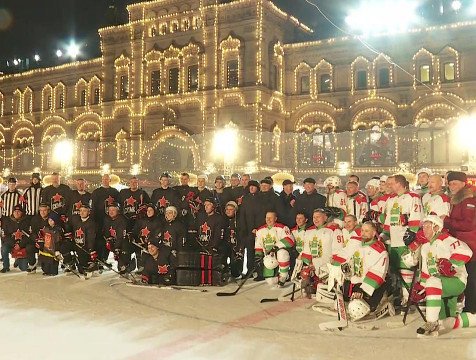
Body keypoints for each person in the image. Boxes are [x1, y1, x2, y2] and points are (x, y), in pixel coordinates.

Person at [403, 216, 473, 336]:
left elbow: (466, 251)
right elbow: (426, 273)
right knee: (446, 323)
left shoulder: (446, 239)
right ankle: (473, 319)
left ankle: (431, 322)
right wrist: (422, 289)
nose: (423, 229)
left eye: (427, 226)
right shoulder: (425, 247)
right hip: (439, 285)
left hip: (456, 281)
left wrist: (451, 265)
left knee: (432, 282)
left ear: (436, 227)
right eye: (423, 226)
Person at [329, 221, 390, 322]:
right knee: (338, 304)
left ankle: (384, 300)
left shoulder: (379, 251)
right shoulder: (357, 245)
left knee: (357, 308)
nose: (363, 233)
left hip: (371, 286)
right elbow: (346, 257)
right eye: (362, 230)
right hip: (356, 283)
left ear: (374, 233)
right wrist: (337, 269)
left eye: (367, 231)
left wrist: (362, 290)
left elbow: (377, 273)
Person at [380, 174, 423, 303]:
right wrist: (384, 234)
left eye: (391, 183)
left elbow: (417, 215)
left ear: (399, 183)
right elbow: (388, 220)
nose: (389, 185)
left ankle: (408, 298)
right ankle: (400, 295)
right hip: (394, 241)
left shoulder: (413, 197)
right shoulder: (391, 199)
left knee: (407, 269)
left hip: (406, 241)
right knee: (396, 270)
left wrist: (412, 232)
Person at [443, 171, 476, 313]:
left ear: (463, 183)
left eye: (454, 183)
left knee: (471, 276)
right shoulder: (458, 199)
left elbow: (468, 224)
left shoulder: (468, 200)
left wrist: (446, 220)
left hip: (470, 245)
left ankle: (472, 308)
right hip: (463, 244)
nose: (451, 187)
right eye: (450, 184)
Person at [254, 210, 294, 286]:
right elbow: (258, 246)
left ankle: (283, 275)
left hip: (280, 255)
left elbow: (290, 241)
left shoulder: (283, 228)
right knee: (271, 281)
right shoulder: (260, 230)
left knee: (282, 253)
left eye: (270, 218)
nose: (268, 220)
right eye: (267, 218)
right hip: (269, 257)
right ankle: (285, 275)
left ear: (275, 218)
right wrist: (258, 256)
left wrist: (276, 246)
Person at [63, 203, 98, 276]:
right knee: (64, 247)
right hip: (76, 244)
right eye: (80, 210)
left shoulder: (91, 223)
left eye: (84, 211)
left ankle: (91, 265)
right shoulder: (76, 220)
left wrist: (91, 250)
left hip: (84, 247)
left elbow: (91, 238)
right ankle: (71, 262)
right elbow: (69, 227)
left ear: (89, 212)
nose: (82, 213)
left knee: (82, 269)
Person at [91, 174, 119, 263]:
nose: (105, 181)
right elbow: (93, 206)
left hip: (111, 220)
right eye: (103, 179)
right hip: (99, 219)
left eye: (107, 179)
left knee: (109, 239)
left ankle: (104, 258)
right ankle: (98, 258)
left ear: (110, 180)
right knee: (99, 239)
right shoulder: (96, 192)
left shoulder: (115, 192)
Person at [103, 202, 133, 274]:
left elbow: (121, 236)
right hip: (115, 241)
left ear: (118, 211)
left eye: (113, 210)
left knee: (123, 247)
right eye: (110, 210)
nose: (111, 212)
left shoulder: (122, 220)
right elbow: (107, 232)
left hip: (124, 242)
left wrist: (116, 248)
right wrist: (108, 239)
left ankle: (128, 264)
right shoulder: (107, 220)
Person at [132, 203, 163, 273]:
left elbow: (158, 234)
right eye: (147, 210)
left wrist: (149, 241)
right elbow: (135, 231)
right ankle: (140, 266)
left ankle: (148, 267)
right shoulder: (141, 221)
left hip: (152, 243)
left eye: (151, 210)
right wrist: (137, 239)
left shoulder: (158, 222)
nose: (148, 212)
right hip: (141, 243)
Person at [1, 204, 31, 272]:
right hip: (11, 244)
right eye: (15, 211)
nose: (17, 213)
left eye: (18, 211)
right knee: (4, 248)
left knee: (23, 268)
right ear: (12, 212)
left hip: (22, 246)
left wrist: (20, 245)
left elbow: (30, 236)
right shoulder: (7, 221)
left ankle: (19, 260)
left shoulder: (27, 221)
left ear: (22, 212)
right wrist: (13, 244)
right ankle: (6, 266)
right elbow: (4, 236)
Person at [239, 180, 260, 275]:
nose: (251, 188)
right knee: (250, 251)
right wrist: (244, 228)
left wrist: (257, 228)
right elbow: (242, 215)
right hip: (248, 229)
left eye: (254, 187)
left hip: (258, 229)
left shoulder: (260, 198)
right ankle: (250, 270)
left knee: (259, 251)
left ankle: (259, 270)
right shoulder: (246, 199)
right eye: (250, 186)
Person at [26, 203, 51, 273]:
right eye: (41, 210)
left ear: (48, 211)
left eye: (44, 210)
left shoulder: (51, 219)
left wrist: (46, 242)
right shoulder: (35, 219)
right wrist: (37, 240)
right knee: (29, 247)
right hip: (37, 242)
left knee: (47, 270)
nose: (42, 212)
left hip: (49, 244)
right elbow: (32, 232)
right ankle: (32, 264)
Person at [223, 201, 244, 278]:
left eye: (230, 209)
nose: (228, 211)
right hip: (226, 244)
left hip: (236, 245)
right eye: (227, 209)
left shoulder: (239, 221)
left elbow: (242, 235)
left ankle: (236, 272)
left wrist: (241, 248)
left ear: (235, 211)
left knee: (235, 264)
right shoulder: (223, 220)